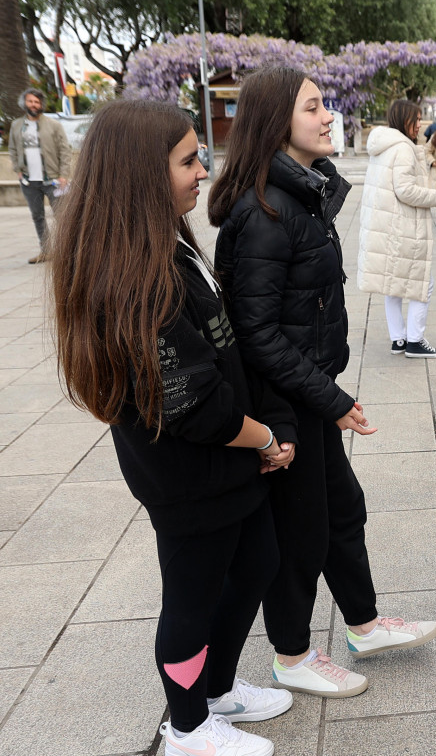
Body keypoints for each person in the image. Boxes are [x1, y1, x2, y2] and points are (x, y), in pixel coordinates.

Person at [51, 99, 298, 756]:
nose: (203, 170)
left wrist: (268, 426)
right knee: (191, 602)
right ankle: (187, 727)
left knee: (257, 565)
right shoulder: (132, 280)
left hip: (230, 464)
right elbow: (198, 407)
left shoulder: (170, 243)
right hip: (190, 477)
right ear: (140, 174)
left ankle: (216, 691)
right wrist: (267, 440)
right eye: (188, 159)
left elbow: (226, 352)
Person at [209, 65, 436, 700]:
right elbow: (257, 334)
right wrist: (332, 400)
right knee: (298, 533)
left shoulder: (300, 193)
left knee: (343, 511)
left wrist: (326, 397)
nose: (327, 116)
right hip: (284, 403)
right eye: (312, 107)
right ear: (276, 121)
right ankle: (293, 654)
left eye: (323, 105)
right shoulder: (265, 212)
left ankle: (363, 625)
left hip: (309, 392)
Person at [357, 99, 436, 359]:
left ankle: (398, 338)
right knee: (422, 283)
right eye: (415, 119)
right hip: (403, 228)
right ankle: (415, 341)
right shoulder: (403, 149)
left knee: (393, 285)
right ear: (402, 119)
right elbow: (405, 190)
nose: (419, 125)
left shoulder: (383, 146)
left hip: (387, 227)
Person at [9, 88, 71, 263]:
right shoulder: (16, 126)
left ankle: (69, 250)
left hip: (52, 180)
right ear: (24, 103)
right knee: (38, 216)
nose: (34, 105)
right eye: (30, 101)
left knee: (62, 216)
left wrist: (64, 175)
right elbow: (13, 149)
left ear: (41, 104)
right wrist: (18, 170)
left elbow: (65, 151)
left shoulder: (54, 125)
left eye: (37, 102)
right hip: (29, 181)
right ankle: (46, 251)